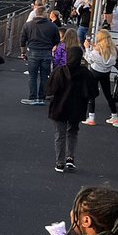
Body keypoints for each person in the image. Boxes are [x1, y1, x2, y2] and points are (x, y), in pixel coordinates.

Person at [47, 45, 96, 173]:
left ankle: (60, 162)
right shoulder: (85, 73)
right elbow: (93, 92)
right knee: (73, 133)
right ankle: (70, 158)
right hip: (77, 107)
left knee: (60, 135)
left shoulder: (60, 71)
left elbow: (50, 89)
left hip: (59, 107)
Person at [21, 2, 61, 105]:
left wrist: (23, 52)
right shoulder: (52, 26)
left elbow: (23, 40)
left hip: (33, 51)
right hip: (47, 52)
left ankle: (32, 97)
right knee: (44, 76)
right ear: (44, 13)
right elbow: (57, 40)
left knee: (32, 76)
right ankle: (41, 98)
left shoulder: (28, 25)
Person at [84, 29, 118, 127]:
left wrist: (87, 48)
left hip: (95, 72)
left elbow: (90, 59)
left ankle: (91, 117)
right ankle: (114, 116)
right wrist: (93, 47)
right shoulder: (113, 49)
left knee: (92, 94)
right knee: (108, 94)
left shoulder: (97, 49)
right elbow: (105, 56)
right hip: (106, 73)